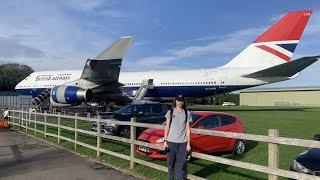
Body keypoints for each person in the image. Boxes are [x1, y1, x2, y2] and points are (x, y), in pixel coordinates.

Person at [163, 95, 192, 180]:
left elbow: (188, 129)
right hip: (171, 142)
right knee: (170, 164)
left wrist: (188, 144)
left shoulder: (187, 113)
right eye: (178, 100)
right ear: (175, 101)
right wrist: (165, 141)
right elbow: (167, 127)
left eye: (181, 101)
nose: (180, 102)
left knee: (181, 165)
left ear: (184, 102)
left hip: (183, 143)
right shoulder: (170, 112)